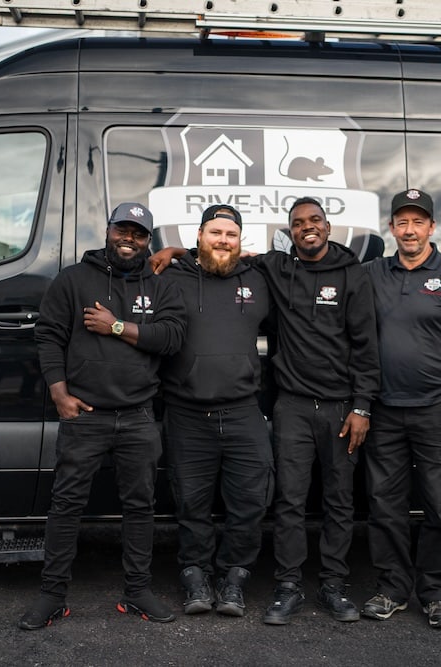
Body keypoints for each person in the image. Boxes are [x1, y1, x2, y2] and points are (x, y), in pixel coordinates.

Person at [152, 195, 379, 625]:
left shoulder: (338, 274)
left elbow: (367, 344)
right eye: (298, 223)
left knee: (328, 502)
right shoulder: (266, 269)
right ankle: (271, 584)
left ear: (328, 227)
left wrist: (363, 405)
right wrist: (173, 251)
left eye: (315, 221)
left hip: (329, 408)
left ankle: (322, 585)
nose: (307, 227)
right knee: (280, 502)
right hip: (281, 405)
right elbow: (215, 256)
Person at [19, 202, 186, 630]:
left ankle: (137, 591)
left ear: (149, 240)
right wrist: (59, 394)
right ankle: (53, 595)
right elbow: (48, 336)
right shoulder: (74, 279)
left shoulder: (162, 286)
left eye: (139, 233)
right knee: (67, 505)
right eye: (122, 230)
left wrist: (116, 326)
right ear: (108, 231)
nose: (129, 239)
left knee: (140, 507)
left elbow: (171, 338)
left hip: (138, 416)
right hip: (85, 415)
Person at [361, 188, 441, 629]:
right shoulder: (372, 274)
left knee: (440, 505)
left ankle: (435, 593)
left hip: (439, 409)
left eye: (418, 222)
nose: (410, 230)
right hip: (384, 411)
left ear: (432, 227)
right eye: (402, 222)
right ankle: (392, 589)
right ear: (392, 227)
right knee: (385, 506)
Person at [159, 204, 274, 618]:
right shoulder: (172, 277)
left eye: (231, 233)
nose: (223, 240)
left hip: (243, 410)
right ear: (200, 236)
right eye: (215, 232)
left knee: (249, 503)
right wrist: (171, 252)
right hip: (187, 412)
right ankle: (195, 576)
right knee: (191, 503)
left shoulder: (259, 279)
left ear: (240, 241)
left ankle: (234, 579)